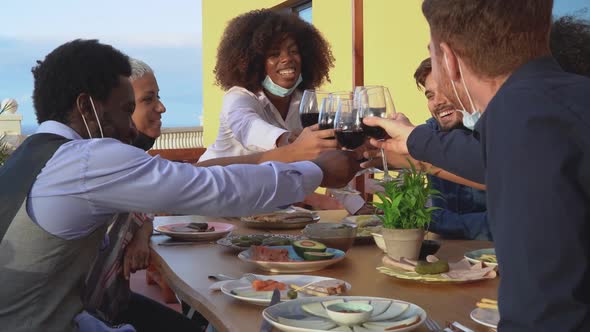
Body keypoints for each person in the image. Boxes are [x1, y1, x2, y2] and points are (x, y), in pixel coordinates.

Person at [0, 39, 359, 332]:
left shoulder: (32, 156)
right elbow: (213, 187)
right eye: (127, 110)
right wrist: (315, 170)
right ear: (86, 107)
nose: (130, 128)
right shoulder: (85, 159)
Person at [365, 1, 590, 330]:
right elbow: (497, 159)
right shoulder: (563, 99)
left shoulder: (520, 113)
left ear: (449, 60)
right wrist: (414, 140)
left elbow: (545, 310)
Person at [200, 9, 336, 161]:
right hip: (218, 181)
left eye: (293, 51)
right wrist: (286, 139)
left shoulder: (303, 101)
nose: (287, 59)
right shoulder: (238, 97)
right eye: (274, 54)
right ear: (255, 63)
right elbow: (247, 127)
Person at [413, 58, 490, 240]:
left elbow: (501, 225)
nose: (437, 102)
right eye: (430, 95)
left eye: (445, 90)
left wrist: (437, 221)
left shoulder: (497, 133)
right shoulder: (432, 133)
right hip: (445, 254)